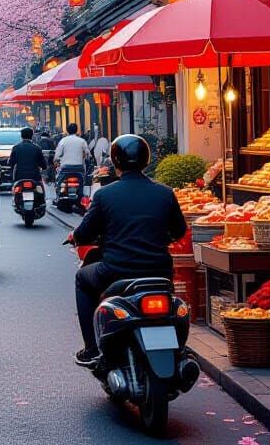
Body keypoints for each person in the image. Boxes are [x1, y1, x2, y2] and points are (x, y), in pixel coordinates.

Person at [68, 134, 187, 366]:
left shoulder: (104, 195)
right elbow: (179, 230)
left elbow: (84, 234)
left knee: (82, 278)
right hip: (160, 272)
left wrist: (75, 237)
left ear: (116, 162)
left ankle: (91, 347)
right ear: (146, 159)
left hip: (115, 271)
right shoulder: (164, 192)